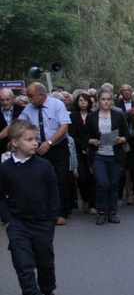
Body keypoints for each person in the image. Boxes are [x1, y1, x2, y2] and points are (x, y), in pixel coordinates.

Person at [0, 120, 59, 295]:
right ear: (15, 142)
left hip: (42, 223)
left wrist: (51, 219)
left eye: (36, 139)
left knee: (45, 263)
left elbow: (53, 193)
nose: (35, 143)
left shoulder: (44, 166)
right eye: (29, 140)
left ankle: (48, 292)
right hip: (18, 225)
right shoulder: (5, 169)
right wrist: (8, 220)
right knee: (23, 265)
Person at [19, 82, 72, 225]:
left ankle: (63, 212)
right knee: (40, 179)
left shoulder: (57, 105)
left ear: (41, 94)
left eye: (31, 96)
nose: (29, 99)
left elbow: (64, 126)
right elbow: (19, 125)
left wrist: (49, 142)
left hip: (57, 146)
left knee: (61, 178)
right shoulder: (29, 109)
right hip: (38, 147)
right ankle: (44, 210)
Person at [86, 90, 129, 225]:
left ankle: (113, 212)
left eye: (108, 99)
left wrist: (121, 139)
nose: (105, 102)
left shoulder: (118, 115)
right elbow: (85, 136)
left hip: (115, 154)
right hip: (99, 154)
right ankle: (102, 212)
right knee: (102, 183)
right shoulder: (92, 116)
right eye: (103, 99)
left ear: (112, 101)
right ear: (98, 101)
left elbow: (127, 134)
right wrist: (92, 141)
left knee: (114, 184)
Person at [68, 90, 97, 215]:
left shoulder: (93, 115)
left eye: (85, 100)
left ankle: (93, 203)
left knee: (94, 177)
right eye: (80, 100)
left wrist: (90, 145)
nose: (83, 102)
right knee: (83, 177)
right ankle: (85, 199)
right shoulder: (73, 116)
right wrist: (84, 146)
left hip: (93, 150)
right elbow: (73, 134)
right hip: (79, 151)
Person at [0, 88, 25, 153]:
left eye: (8, 100)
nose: (5, 102)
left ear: (13, 98)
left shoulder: (22, 111)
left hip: (19, 149)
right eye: (2, 100)